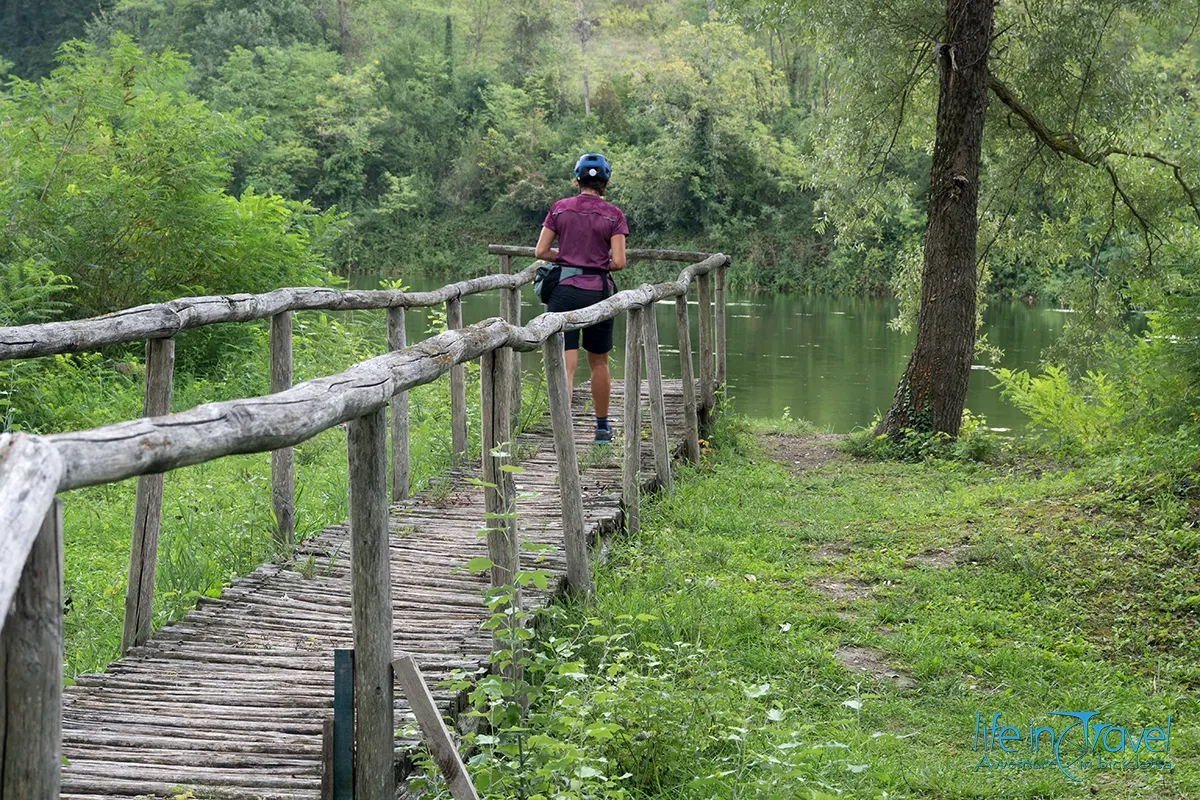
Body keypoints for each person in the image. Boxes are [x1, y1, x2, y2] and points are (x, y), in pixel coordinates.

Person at [534, 153, 628, 443]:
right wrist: (597, 262)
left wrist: (566, 258)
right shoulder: (613, 215)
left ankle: (563, 429)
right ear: (605, 182)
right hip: (597, 292)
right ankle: (601, 429)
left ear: (578, 180)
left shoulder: (560, 209)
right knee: (599, 362)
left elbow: (541, 251)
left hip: (563, 291)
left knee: (566, 362)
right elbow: (619, 262)